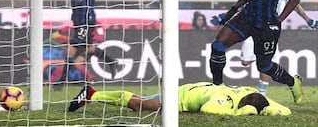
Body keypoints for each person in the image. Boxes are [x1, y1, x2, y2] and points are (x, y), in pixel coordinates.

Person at [208, 0, 304, 104]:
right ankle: (217, 88)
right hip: (247, 17)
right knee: (217, 46)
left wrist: (279, 20)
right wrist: (231, 11)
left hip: (266, 24)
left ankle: (292, 82)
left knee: (264, 66)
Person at [43, 0, 123, 84]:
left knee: (72, 48)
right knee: (89, 49)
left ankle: (61, 81)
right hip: (76, 19)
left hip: (87, 20)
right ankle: (111, 61)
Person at [67, 82, 291, 116]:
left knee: (141, 100)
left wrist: (271, 109)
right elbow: (208, 110)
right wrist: (242, 113)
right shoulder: (227, 100)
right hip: (180, 97)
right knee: (140, 105)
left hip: (189, 89)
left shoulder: (247, 90)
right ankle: (93, 95)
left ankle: (93, 94)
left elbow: (278, 107)